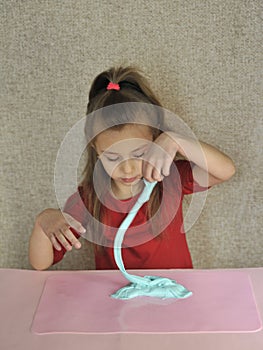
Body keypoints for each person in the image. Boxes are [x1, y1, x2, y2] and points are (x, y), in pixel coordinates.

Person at [29, 66, 235, 271]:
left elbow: (225, 170)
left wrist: (176, 140)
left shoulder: (171, 179)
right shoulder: (88, 200)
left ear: (155, 140)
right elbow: (40, 263)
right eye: (112, 157)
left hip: (174, 295)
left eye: (139, 154)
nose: (127, 169)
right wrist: (43, 220)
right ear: (96, 150)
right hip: (117, 300)